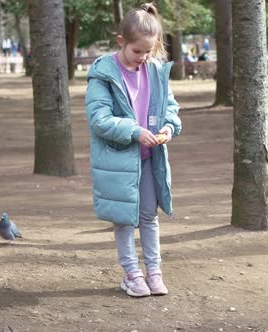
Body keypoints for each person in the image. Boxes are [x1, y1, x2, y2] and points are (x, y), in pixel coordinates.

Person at [84, 2, 182, 298]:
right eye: (136, 51)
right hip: (119, 160)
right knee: (125, 219)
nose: (142, 57)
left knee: (149, 217)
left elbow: (171, 109)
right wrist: (135, 131)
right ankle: (131, 273)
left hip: (150, 159)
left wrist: (168, 127)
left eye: (148, 51)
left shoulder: (155, 71)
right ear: (121, 42)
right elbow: (99, 119)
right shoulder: (103, 73)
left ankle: (154, 271)